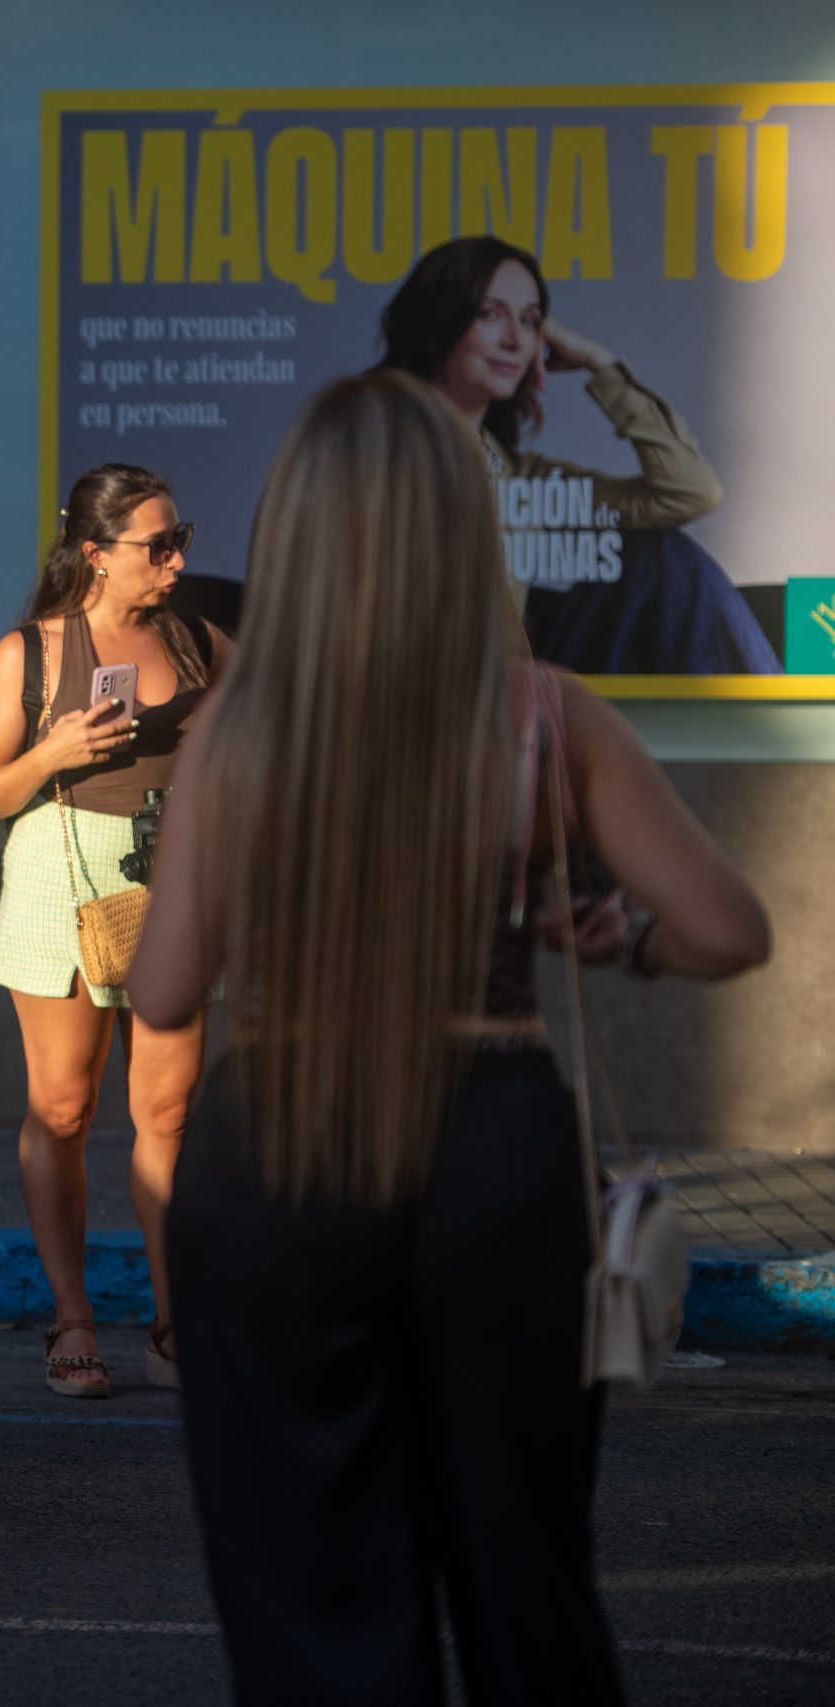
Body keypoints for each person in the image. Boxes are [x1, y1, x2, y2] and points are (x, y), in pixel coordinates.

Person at [131, 371, 770, 1704]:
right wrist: (623, 938)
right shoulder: (544, 712)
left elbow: (167, 995)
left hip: (279, 1145)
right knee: (522, 1567)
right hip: (495, 1143)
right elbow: (725, 924)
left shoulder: (239, 731)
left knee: (309, 1586)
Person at [0, 464, 230, 1397]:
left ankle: (172, 1319)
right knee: (64, 1107)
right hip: (58, 872)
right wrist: (54, 751)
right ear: (93, 555)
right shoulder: (27, 653)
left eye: (177, 535)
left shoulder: (194, 638)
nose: (176, 558)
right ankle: (72, 1316)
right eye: (157, 544)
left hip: (172, 878)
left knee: (169, 1112)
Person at [376, 234, 776, 674]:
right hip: (421, 693)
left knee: (661, 556)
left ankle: (773, 732)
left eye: (530, 321)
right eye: (490, 314)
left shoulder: (520, 477)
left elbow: (688, 492)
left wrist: (600, 365)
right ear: (435, 327)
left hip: (526, 692)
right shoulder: (370, 446)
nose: (514, 339)